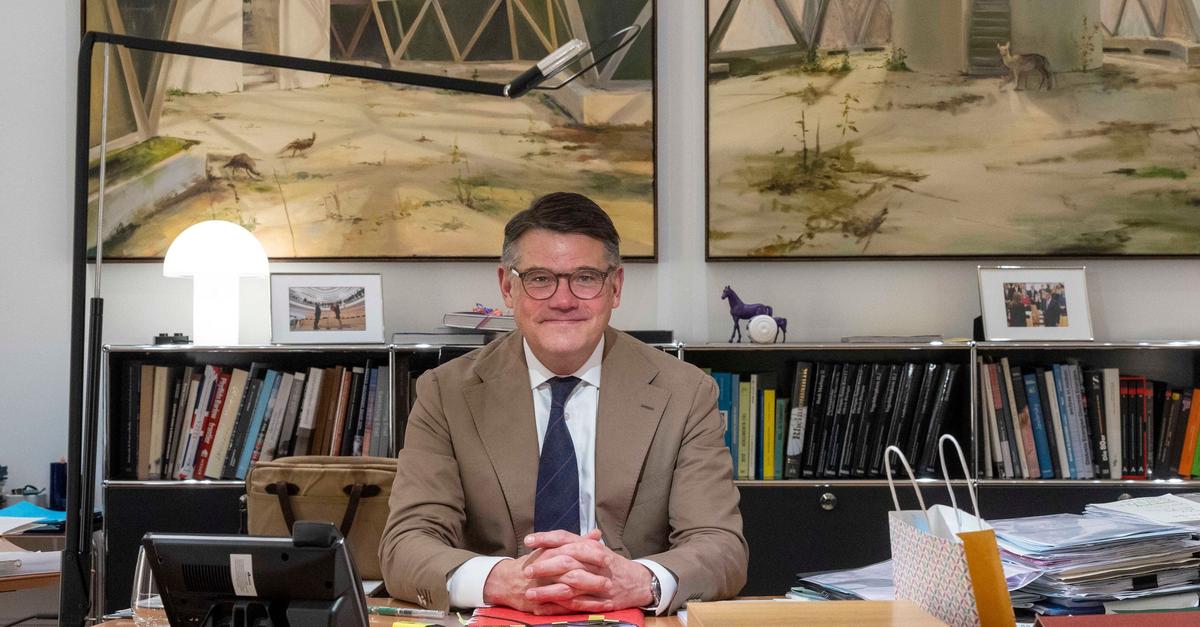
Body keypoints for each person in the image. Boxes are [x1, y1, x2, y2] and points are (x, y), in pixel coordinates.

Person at [379, 192, 747, 615]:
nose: (563, 300)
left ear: (615, 287)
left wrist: (639, 581)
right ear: (508, 287)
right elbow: (405, 544)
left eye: (585, 278)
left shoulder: (686, 392)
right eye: (539, 279)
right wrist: (503, 580)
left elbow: (721, 546)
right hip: (501, 619)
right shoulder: (445, 393)